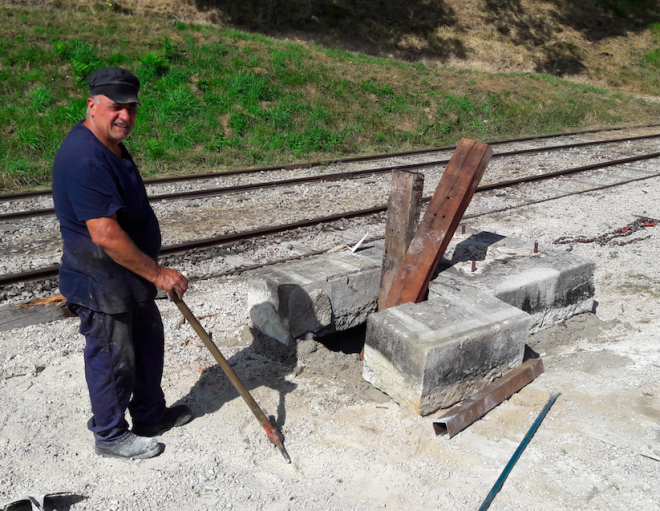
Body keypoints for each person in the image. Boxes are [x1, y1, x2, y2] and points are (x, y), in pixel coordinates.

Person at [52, 67, 192, 460]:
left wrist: (148, 272)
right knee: (115, 360)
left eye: (132, 108)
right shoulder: (85, 157)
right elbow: (106, 234)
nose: (125, 117)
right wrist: (159, 273)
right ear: (92, 105)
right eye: (116, 107)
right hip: (101, 280)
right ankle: (110, 435)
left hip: (128, 275)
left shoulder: (109, 145)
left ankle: (150, 416)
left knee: (148, 347)